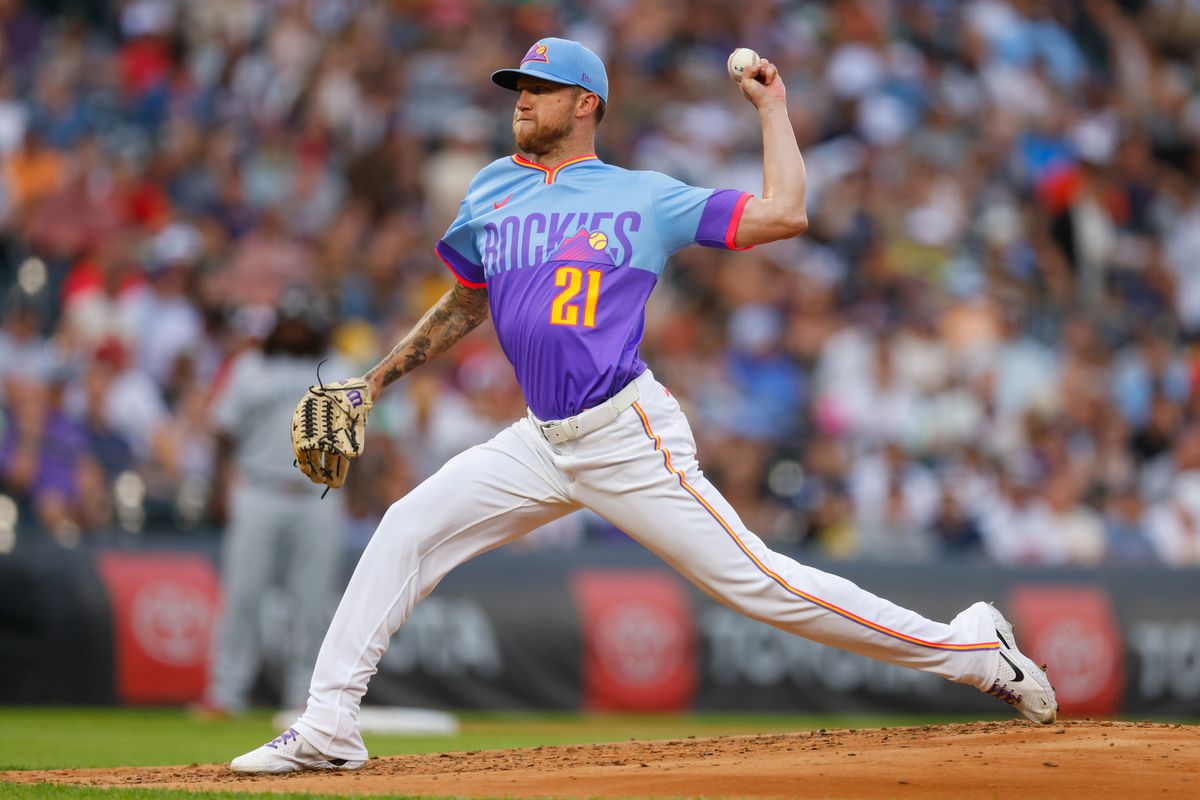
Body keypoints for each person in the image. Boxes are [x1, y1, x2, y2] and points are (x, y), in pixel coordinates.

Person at [231, 38, 1056, 774]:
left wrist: (773, 108)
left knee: (766, 586)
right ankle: (330, 722)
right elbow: (465, 301)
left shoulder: (643, 197)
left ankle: (972, 649)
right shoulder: (493, 191)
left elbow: (785, 212)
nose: (521, 98)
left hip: (627, 436)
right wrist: (373, 381)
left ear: (585, 103)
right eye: (516, 85)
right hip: (538, 441)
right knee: (407, 528)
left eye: (540, 88)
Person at [202, 287, 352, 718]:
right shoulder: (250, 367)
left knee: (312, 601)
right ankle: (225, 692)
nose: (295, 330)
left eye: (303, 323)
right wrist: (217, 488)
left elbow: (357, 440)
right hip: (257, 490)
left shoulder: (339, 367)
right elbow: (222, 431)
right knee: (243, 595)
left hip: (317, 495)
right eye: (289, 323)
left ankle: (305, 699)